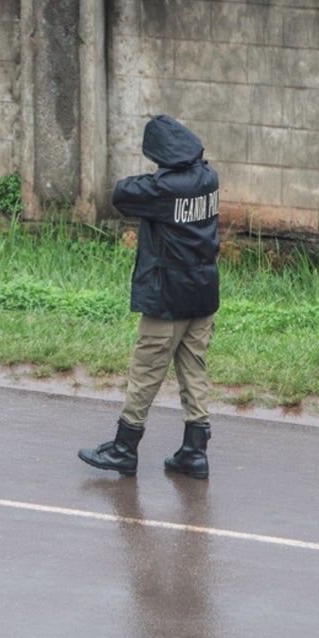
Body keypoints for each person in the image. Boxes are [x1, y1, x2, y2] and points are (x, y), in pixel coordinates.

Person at [79, 115, 220, 480]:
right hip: (203, 293)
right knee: (194, 371)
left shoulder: (164, 188)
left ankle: (124, 448)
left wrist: (158, 174)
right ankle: (195, 452)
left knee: (145, 372)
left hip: (168, 296)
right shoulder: (209, 177)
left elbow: (122, 192)